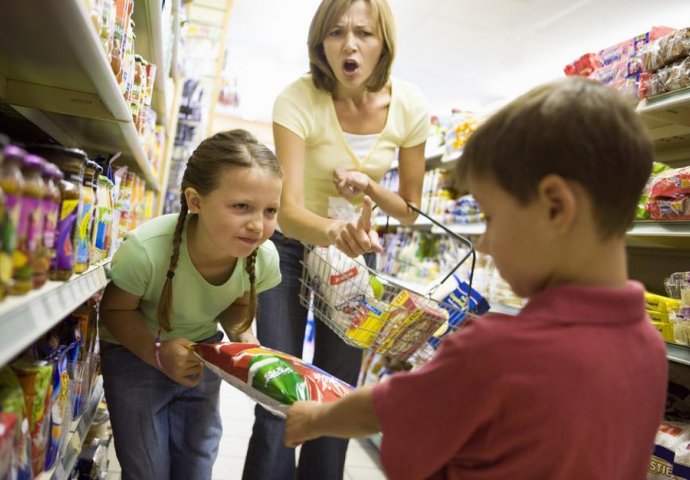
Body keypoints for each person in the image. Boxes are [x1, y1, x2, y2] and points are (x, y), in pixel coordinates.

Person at [282, 76, 669, 479]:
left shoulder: (494, 351)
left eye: (490, 218)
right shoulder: (649, 349)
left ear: (556, 208)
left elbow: (383, 410)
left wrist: (315, 419)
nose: (483, 245)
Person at [242, 0, 430, 478]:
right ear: (320, 42)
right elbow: (289, 208)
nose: (349, 45)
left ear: (383, 41)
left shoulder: (409, 107)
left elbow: (409, 210)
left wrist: (369, 188)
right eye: (336, 32)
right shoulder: (297, 98)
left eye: (364, 33)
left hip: (353, 259)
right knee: (278, 391)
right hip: (290, 247)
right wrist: (333, 232)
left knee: (338, 393)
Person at [99, 129, 283, 480]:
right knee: (147, 468)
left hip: (201, 355)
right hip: (134, 356)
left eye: (270, 210)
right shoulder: (146, 250)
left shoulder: (261, 257)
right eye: (241, 206)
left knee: (197, 463)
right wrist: (156, 352)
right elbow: (113, 311)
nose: (257, 224)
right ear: (195, 201)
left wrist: (243, 336)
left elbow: (236, 303)